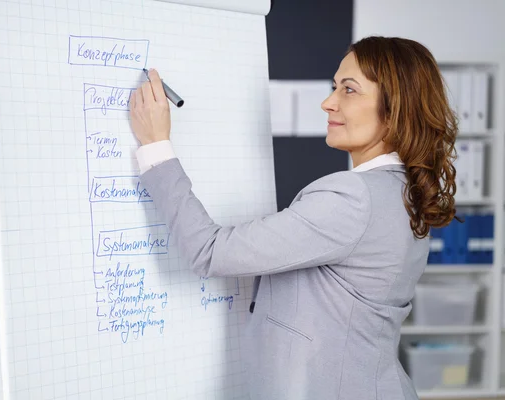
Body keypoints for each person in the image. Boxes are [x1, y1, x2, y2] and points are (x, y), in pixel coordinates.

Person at [128, 36, 458, 400]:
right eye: (335, 87)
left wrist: (156, 146)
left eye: (349, 90)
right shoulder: (402, 193)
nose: (328, 102)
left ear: (395, 111)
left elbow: (208, 251)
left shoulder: (353, 198)